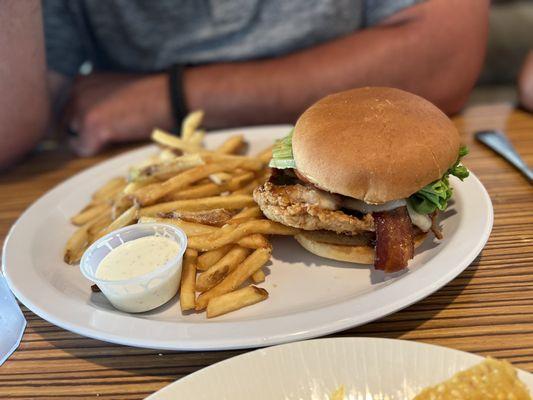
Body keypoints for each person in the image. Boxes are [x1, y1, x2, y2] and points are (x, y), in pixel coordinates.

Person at [0, 0, 489, 169]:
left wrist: (171, 97)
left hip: (378, 148)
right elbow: (10, 133)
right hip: (126, 180)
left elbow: (446, 55)